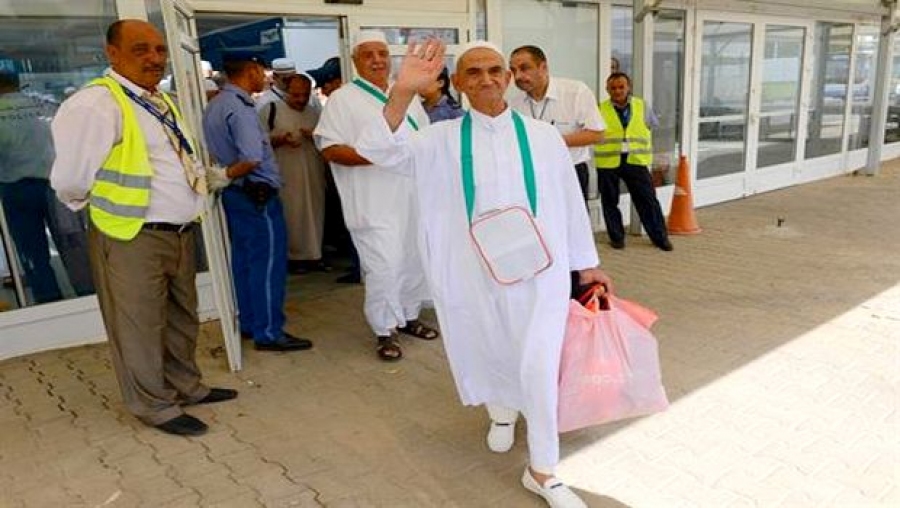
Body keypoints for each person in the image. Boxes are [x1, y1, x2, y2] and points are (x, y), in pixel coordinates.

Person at [354, 39, 613, 508]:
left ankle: (544, 471)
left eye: (496, 70)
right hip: (471, 273)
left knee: (538, 362)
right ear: (457, 83)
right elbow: (377, 150)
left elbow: (571, 203)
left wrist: (587, 263)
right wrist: (403, 91)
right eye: (473, 73)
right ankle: (501, 414)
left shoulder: (544, 136)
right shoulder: (439, 139)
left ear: (509, 78)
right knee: (489, 347)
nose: (487, 79)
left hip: (542, 272)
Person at [49, 19, 237, 436]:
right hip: (131, 234)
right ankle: (153, 405)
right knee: (138, 324)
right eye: (140, 50)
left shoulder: (158, 100)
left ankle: (186, 386)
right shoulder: (97, 104)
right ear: (112, 54)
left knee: (181, 317)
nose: (154, 58)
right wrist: (92, 205)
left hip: (179, 231)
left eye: (158, 49)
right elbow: (70, 179)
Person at [314, 30, 438, 361]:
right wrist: (382, 155)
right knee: (384, 267)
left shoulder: (406, 95)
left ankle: (410, 316)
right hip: (372, 204)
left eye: (382, 53)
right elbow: (331, 149)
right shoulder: (344, 99)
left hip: (412, 199)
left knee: (414, 260)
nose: (377, 60)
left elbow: (423, 141)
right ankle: (385, 330)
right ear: (355, 61)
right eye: (368, 54)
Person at [202, 50, 315, 352]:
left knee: (246, 263)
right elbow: (252, 157)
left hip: (237, 194)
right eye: (261, 71)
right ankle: (269, 332)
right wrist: (227, 174)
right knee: (267, 265)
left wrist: (226, 177)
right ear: (250, 70)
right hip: (256, 195)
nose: (264, 77)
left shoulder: (217, 104)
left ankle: (251, 323)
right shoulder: (239, 108)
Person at [508, 45, 605, 203]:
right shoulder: (514, 104)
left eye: (525, 68)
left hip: (570, 170)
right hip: (532, 172)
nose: (518, 76)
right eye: (513, 70)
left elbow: (597, 134)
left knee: (574, 224)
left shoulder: (575, 91)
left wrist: (551, 140)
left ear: (543, 67)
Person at [0, 68, 63, 305]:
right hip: (55, 186)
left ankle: (49, 298)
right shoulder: (44, 106)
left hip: (16, 190)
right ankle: (86, 293)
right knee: (72, 245)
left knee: (33, 251)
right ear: (17, 83)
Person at [594, 72, 673, 251]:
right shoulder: (599, 108)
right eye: (613, 88)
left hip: (635, 160)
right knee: (609, 201)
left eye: (621, 87)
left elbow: (652, 125)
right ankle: (617, 238)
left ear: (628, 87)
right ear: (607, 90)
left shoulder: (642, 106)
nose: (617, 91)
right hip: (608, 162)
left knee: (648, 200)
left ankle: (660, 237)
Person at [261, 73, 330, 274]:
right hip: (286, 173)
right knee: (292, 214)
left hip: (313, 172)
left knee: (315, 213)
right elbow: (258, 142)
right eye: (296, 95)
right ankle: (294, 258)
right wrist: (280, 139)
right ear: (286, 92)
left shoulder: (313, 113)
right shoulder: (270, 110)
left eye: (305, 95)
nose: (301, 100)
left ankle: (314, 255)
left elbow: (326, 140)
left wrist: (313, 136)